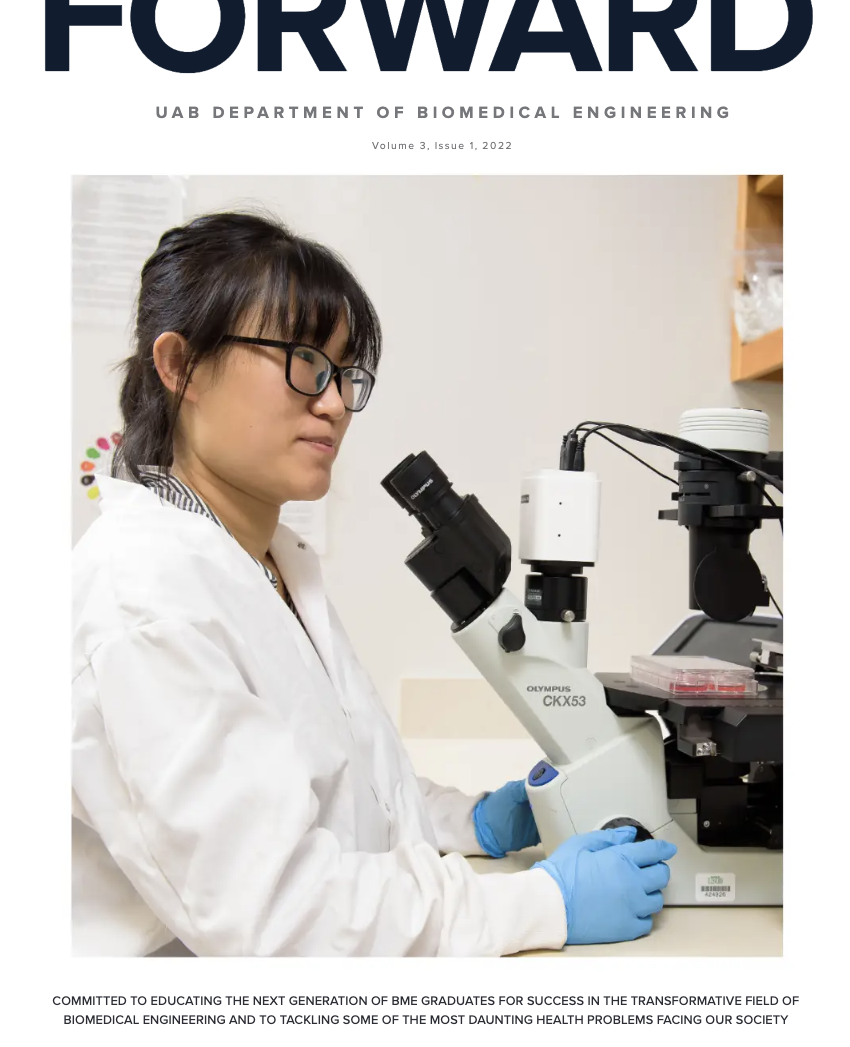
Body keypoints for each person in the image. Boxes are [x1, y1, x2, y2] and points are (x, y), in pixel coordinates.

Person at [72, 209, 676, 957]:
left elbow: (332, 790)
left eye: (344, 372)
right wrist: (540, 902)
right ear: (181, 365)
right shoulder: (144, 596)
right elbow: (277, 912)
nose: (332, 402)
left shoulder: (264, 563)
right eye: (302, 361)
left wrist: (468, 821)